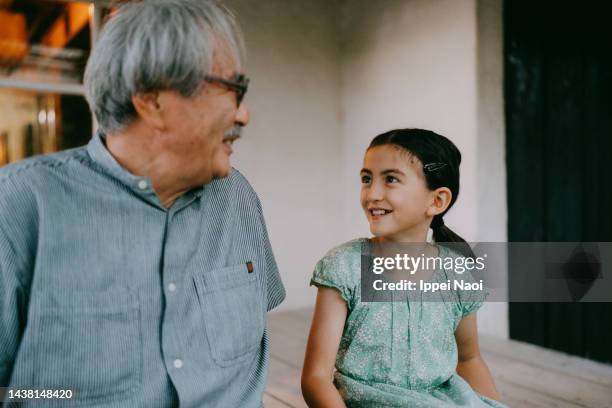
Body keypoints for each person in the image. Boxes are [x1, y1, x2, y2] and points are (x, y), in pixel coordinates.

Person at [0, 1, 284, 406]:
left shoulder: (237, 198)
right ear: (152, 100)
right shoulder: (18, 207)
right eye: (234, 89)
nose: (244, 114)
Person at [301, 129, 506, 407]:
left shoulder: (457, 272)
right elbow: (316, 378)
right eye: (366, 179)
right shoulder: (345, 267)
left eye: (391, 179)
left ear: (437, 201)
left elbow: (469, 359)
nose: (372, 193)